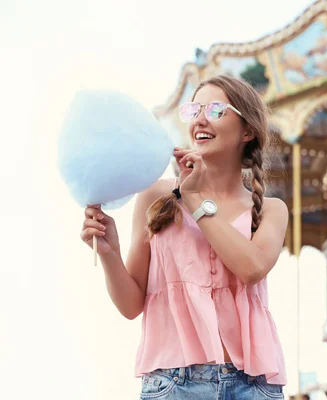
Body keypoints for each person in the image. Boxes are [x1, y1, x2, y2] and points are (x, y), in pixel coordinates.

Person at [80, 75, 288, 399]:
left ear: (247, 130)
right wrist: (110, 251)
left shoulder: (271, 210)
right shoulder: (156, 194)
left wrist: (193, 198)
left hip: (253, 386)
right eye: (195, 110)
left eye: (217, 109)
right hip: (174, 384)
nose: (200, 119)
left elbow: (251, 267)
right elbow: (131, 305)